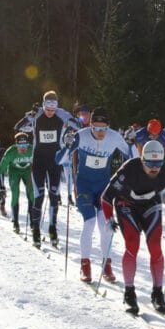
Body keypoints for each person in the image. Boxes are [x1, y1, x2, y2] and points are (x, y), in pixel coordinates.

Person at [100, 140, 165, 315]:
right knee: (132, 243)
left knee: (155, 246)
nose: (154, 168)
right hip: (127, 204)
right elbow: (106, 197)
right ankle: (129, 293)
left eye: (158, 163)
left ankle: (157, 293)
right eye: (149, 163)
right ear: (142, 160)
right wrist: (109, 219)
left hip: (151, 204)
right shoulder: (129, 169)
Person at [56, 107, 131, 283]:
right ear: (90, 126)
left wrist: (132, 142)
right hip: (84, 186)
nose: (100, 133)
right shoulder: (81, 135)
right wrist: (67, 145)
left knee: (105, 224)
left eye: (103, 128)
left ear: (108, 127)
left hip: (104, 187)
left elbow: (132, 156)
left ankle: (106, 265)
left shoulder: (114, 137)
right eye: (96, 128)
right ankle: (85, 265)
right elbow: (59, 160)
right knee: (89, 223)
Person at [13, 91, 80, 248]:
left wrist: (71, 122)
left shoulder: (61, 114)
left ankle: (52, 229)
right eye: (48, 109)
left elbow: (78, 126)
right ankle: (36, 230)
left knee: (54, 195)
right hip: (38, 161)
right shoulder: (37, 114)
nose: (50, 113)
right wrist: (30, 116)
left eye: (53, 110)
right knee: (39, 195)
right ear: (43, 106)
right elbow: (17, 127)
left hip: (55, 161)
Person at [0, 132, 34, 233]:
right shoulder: (11, 152)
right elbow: (1, 169)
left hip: (27, 170)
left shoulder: (32, 150)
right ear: (16, 145)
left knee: (32, 194)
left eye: (25, 145)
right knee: (15, 193)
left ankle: (32, 222)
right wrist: (1, 186)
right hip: (14, 171)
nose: (23, 148)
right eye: (20, 146)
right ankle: (16, 222)